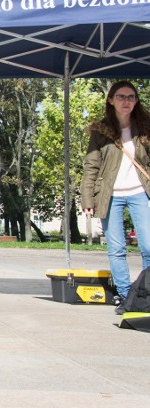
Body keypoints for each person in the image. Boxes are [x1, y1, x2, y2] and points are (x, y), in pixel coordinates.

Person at [81, 80, 150, 315]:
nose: (126, 101)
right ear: (111, 100)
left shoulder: (146, 125)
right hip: (110, 195)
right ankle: (124, 295)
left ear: (136, 101)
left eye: (131, 97)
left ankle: (147, 293)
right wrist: (87, 199)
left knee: (149, 246)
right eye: (121, 97)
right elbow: (91, 166)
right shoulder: (101, 130)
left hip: (141, 192)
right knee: (117, 248)